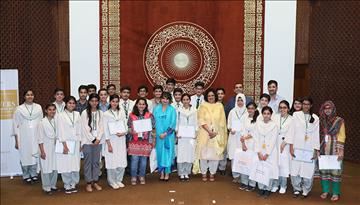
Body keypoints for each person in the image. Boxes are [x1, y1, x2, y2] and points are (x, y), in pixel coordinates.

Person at [193, 89, 227, 182]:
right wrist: (209, 131)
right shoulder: (203, 106)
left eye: (212, 95)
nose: (211, 97)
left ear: (215, 96)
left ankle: (212, 173)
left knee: (214, 155)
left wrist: (215, 132)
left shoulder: (219, 106)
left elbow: (222, 121)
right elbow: (201, 119)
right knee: (204, 155)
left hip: (216, 134)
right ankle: (204, 172)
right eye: (209, 96)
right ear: (206, 97)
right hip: (204, 133)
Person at [290, 97, 320, 198]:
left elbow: (316, 134)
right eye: (304, 104)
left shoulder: (315, 118)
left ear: (311, 105)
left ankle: (306, 190)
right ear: (302, 105)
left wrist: (316, 150)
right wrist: (291, 146)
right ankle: (296, 189)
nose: (306, 106)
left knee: (308, 170)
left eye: (308, 104)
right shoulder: (296, 115)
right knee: (295, 169)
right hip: (297, 146)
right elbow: (292, 131)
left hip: (309, 147)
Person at [12, 89, 43, 184]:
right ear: (24, 97)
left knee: (35, 154)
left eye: (31, 94)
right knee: (25, 155)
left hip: (35, 135)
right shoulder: (19, 109)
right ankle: (26, 175)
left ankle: (33, 174)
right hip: (23, 136)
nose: (30, 96)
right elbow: (15, 125)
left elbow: (41, 122)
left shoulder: (38, 107)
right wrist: (17, 140)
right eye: (27, 95)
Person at [318, 101, 346, 202]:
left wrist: (340, 150)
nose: (327, 110)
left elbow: (342, 135)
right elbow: (317, 135)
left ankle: (335, 193)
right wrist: (317, 149)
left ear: (333, 109)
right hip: (323, 148)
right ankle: (325, 191)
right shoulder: (320, 120)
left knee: (335, 172)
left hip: (335, 149)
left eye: (329, 108)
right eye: (325, 108)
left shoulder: (339, 121)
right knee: (324, 171)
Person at [56, 96, 81, 194]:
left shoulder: (77, 114)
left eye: (73, 103)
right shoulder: (60, 115)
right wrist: (64, 145)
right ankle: (67, 184)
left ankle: (74, 183)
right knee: (65, 164)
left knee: (75, 164)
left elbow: (80, 129)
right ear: (66, 104)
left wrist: (80, 143)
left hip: (76, 142)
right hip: (65, 142)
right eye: (69, 103)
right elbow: (60, 131)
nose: (71, 105)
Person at [251, 106, 278, 198]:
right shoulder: (258, 124)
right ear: (262, 114)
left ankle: (267, 189)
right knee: (260, 169)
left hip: (270, 152)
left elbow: (273, 140)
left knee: (268, 170)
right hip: (259, 151)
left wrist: (267, 153)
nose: (266, 115)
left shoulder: (274, 125)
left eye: (268, 114)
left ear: (271, 115)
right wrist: (258, 152)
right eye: (264, 113)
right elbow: (255, 138)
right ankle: (261, 188)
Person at [127, 98, 155, 185]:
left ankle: (142, 176)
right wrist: (131, 131)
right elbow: (128, 127)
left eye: (143, 104)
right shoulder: (131, 115)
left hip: (146, 141)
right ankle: (134, 176)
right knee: (134, 160)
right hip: (134, 141)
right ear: (136, 105)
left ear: (146, 105)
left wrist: (153, 140)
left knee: (143, 160)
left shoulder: (149, 115)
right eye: (140, 104)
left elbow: (153, 128)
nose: (141, 106)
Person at [103, 95, 127, 189]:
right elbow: (105, 130)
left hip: (121, 139)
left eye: (116, 101)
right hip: (112, 140)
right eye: (113, 101)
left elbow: (125, 124)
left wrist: (124, 132)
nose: (115, 103)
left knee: (121, 160)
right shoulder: (106, 114)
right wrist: (108, 144)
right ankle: (112, 181)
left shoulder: (121, 112)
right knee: (112, 161)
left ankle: (119, 179)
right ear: (110, 102)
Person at [80, 93, 104, 192]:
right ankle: (88, 183)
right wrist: (93, 139)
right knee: (88, 163)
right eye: (92, 101)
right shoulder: (84, 113)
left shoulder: (100, 113)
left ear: (98, 102)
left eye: (96, 101)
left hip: (98, 142)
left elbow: (102, 127)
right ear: (89, 102)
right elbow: (84, 128)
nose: (94, 103)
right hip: (87, 141)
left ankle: (95, 181)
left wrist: (98, 138)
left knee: (96, 162)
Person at [271, 100, 294, 194]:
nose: (282, 109)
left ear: (288, 109)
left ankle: (283, 185)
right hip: (275, 142)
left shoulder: (292, 119)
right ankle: (275, 184)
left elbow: (292, 132)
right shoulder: (275, 117)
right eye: (280, 107)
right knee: (275, 163)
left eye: (284, 107)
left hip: (286, 143)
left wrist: (284, 142)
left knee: (284, 164)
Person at [153, 92, 177, 181]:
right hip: (159, 137)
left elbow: (173, 124)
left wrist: (166, 133)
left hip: (168, 137)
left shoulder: (172, 110)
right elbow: (153, 123)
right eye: (163, 98)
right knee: (160, 154)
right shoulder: (156, 109)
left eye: (167, 99)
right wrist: (156, 134)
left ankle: (167, 173)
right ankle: (161, 173)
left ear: (169, 100)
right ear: (160, 99)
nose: (165, 100)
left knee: (167, 154)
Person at [37, 104, 58, 195]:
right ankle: (46, 187)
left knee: (54, 167)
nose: (52, 111)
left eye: (53, 110)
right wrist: (42, 151)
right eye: (50, 110)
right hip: (46, 147)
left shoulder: (56, 121)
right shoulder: (42, 122)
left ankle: (53, 185)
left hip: (55, 148)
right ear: (46, 111)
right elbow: (40, 138)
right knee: (46, 167)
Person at [238, 102, 259, 191]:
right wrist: (243, 143)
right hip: (244, 143)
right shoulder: (244, 118)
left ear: (255, 109)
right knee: (244, 163)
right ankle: (244, 182)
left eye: (252, 108)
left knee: (252, 164)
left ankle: (252, 183)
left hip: (254, 144)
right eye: (249, 108)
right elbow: (242, 131)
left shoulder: (259, 119)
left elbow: (256, 133)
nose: (250, 110)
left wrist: (246, 137)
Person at [176, 93, 197, 181]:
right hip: (182, 136)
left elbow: (196, 122)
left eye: (187, 99)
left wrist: (195, 132)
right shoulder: (178, 110)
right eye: (184, 100)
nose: (185, 101)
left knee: (189, 154)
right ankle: (181, 173)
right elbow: (176, 122)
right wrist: (177, 132)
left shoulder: (194, 110)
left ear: (190, 100)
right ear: (182, 100)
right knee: (181, 154)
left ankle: (187, 172)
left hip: (190, 136)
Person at [227, 93, 247, 182]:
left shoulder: (247, 111)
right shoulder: (232, 111)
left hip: (243, 138)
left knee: (243, 156)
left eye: (241, 100)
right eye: (238, 100)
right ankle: (235, 175)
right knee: (234, 156)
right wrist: (230, 129)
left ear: (244, 101)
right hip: (234, 136)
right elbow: (228, 124)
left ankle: (243, 175)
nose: (240, 102)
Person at [217, 87, 227, 175]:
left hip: (223, 130)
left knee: (223, 148)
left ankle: (222, 167)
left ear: (224, 95)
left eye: (221, 94)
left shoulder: (226, 105)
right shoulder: (212, 105)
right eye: (218, 93)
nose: (220, 95)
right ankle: (214, 166)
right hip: (214, 131)